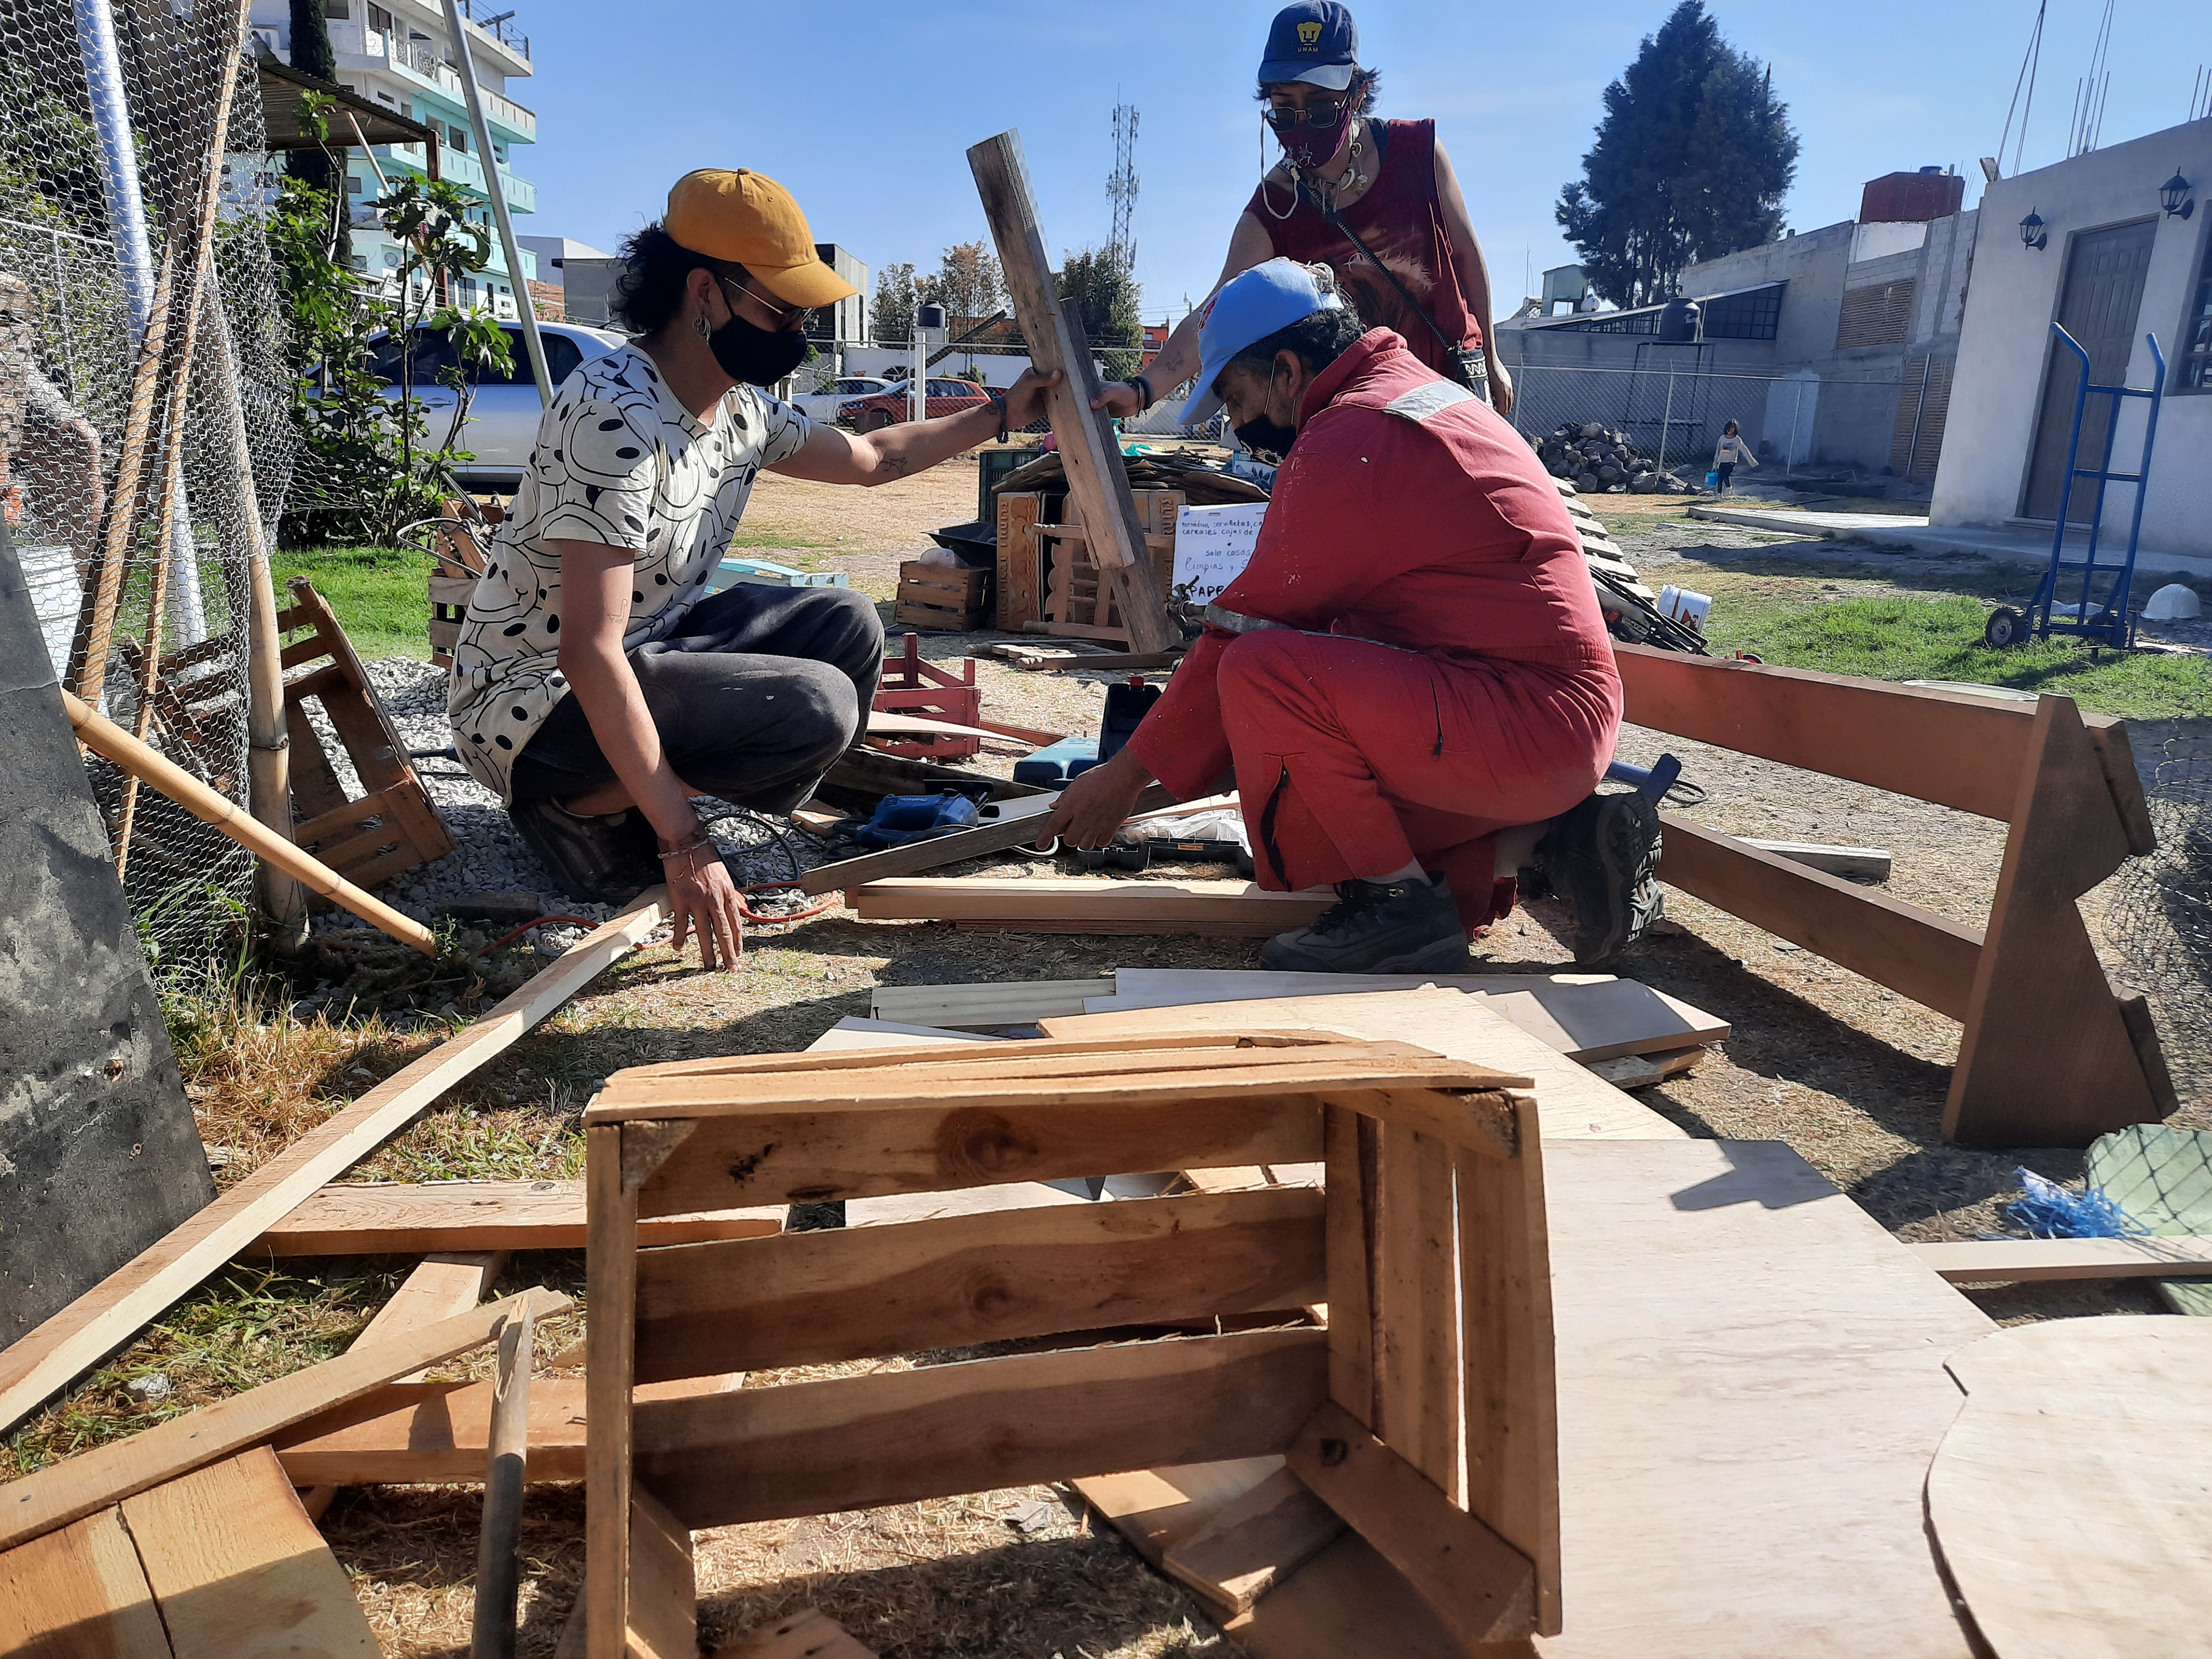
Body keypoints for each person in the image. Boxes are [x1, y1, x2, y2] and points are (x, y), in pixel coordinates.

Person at [448, 168, 1059, 969]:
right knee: (815, 708)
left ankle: (630, 795)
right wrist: (686, 845)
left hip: (640, 652)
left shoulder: (737, 407)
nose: (798, 327)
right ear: (704, 292)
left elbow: (873, 456)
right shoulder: (615, 416)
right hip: (529, 705)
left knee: (850, 625)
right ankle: (573, 809)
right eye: (781, 308)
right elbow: (585, 652)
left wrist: (1005, 413)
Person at [1043, 260, 1662, 972]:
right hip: (1541, 720)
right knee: (1326, 780)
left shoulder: (1353, 434)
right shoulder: (1408, 397)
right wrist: (1162, 775)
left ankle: (1396, 907)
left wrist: (1122, 780)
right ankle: (1561, 842)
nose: (1238, 425)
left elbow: (1241, 633)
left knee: (1265, 679)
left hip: (1526, 718)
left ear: (1285, 369)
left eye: (1237, 398)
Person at [1094, 1, 1513, 427]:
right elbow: (1214, 314)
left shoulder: (1418, 153)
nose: (1300, 123)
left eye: (1319, 107)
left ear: (1358, 92)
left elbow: (1465, 254)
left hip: (1452, 388)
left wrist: (1493, 356)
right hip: (1369, 410)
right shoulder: (1276, 208)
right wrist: (1141, 390)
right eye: (1283, 108)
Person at [1712, 420, 1755, 493]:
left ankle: (1729, 487)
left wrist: (1752, 461)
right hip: (1722, 461)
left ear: (1735, 429)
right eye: (1729, 428)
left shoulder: (1736, 439)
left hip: (1731, 461)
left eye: (1733, 428)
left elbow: (1744, 449)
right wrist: (1715, 463)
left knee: (1725, 475)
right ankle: (1719, 494)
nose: (1730, 430)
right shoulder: (1722, 438)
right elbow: (1718, 451)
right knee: (1720, 478)